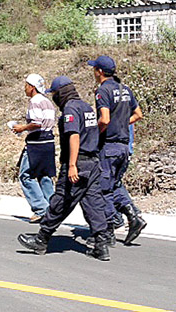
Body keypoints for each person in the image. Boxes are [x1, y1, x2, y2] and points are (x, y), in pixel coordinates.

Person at [17, 76, 110, 261]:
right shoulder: (86, 107)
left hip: (78, 163)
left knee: (61, 200)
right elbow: (94, 131)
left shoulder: (70, 109)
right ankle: (101, 245)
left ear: (61, 93)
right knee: (94, 204)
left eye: (55, 94)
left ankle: (42, 239)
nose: (54, 98)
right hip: (92, 163)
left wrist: (73, 164)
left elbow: (74, 136)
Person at [88, 55, 146, 246]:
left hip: (109, 147)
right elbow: (138, 115)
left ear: (100, 72)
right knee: (114, 185)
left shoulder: (103, 91)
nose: (94, 73)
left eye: (94, 69)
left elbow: (104, 119)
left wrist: (95, 134)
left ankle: (111, 225)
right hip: (123, 147)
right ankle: (133, 215)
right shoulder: (125, 90)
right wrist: (121, 123)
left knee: (102, 188)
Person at [13, 74, 56, 223]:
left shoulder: (35, 101)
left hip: (36, 143)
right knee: (44, 176)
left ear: (32, 87)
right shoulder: (47, 102)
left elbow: (36, 123)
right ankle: (53, 209)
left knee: (25, 175)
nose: (24, 88)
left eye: (26, 85)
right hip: (48, 141)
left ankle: (40, 209)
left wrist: (21, 128)